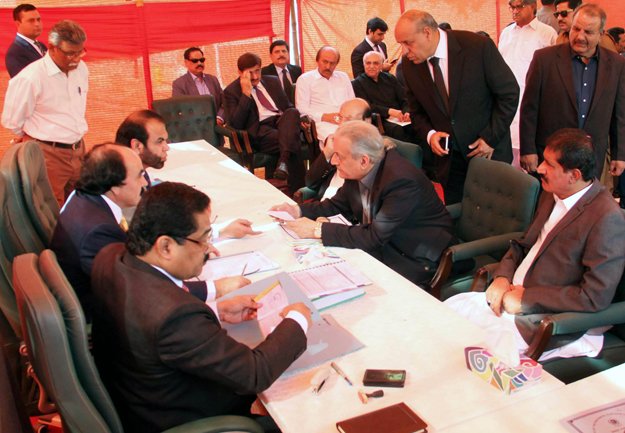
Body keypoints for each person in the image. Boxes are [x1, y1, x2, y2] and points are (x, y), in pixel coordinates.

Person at [91, 182, 310, 432]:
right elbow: (254, 374)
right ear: (165, 246)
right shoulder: (176, 316)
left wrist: (218, 311)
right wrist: (296, 320)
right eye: (202, 239)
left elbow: (158, 332)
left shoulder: (110, 257)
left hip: (136, 395)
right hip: (183, 416)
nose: (208, 248)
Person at [446, 128, 625, 359]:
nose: (540, 168)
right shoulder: (552, 192)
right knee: (444, 321)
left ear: (574, 175)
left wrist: (525, 299)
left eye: (549, 165)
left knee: (465, 353)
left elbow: (593, 297)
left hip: (543, 319)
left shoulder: (606, 218)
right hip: (507, 298)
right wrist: (502, 277)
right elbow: (523, 244)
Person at [271, 121, 454, 286]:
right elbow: (336, 205)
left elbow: (374, 236)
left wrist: (317, 230)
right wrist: (297, 210)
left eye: (339, 157)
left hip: (414, 255)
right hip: (385, 244)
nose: (334, 162)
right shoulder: (358, 169)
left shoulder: (401, 181)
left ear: (364, 161)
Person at [394, 10, 518, 204]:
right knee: (457, 220)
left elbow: (509, 94)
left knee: (493, 219)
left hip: (488, 154)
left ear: (427, 32)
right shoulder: (410, 66)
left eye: (408, 43)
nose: (404, 51)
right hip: (449, 163)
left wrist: (490, 137)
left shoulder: (477, 47)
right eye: (400, 44)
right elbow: (416, 111)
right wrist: (430, 134)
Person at [115, 109, 260, 239]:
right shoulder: (125, 183)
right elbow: (155, 235)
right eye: (159, 142)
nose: (167, 148)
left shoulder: (131, 169)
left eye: (166, 140)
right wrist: (219, 232)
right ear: (137, 146)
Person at [520, 3, 625, 179]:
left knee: (585, 205)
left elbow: (619, 115)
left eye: (588, 32)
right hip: (551, 157)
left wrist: (619, 154)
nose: (580, 37)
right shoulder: (544, 60)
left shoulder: (616, 65)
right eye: (576, 29)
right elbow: (529, 108)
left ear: (601, 35)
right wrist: (528, 149)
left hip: (591, 157)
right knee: (547, 206)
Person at [50, 144, 147, 319]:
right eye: (140, 175)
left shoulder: (82, 197)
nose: (145, 182)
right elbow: (138, 286)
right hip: (102, 318)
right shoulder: (99, 231)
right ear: (115, 187)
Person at [2, 19, 88, 206]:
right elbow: (12, 120)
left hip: (79, 150)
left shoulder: (82, 69)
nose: (76, 59)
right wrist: (38, 142)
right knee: (50, 212)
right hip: (48, 155)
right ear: (52, 48)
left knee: (81, 206)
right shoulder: (30, 77)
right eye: (70, 54)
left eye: (80, 52)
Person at [223, 52, 305, 192]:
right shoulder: (231, 91)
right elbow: (236, 124)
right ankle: (299, 189)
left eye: (258, 71)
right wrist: (246, 94)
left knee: (293, 112)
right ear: (240, 72)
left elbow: (288, 107)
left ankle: (284, 164)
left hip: (282, 123)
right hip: (260, 131)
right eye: (250, 73)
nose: (255, 77)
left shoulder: (272, 81)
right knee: (292, 140)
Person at [498, 0, 556, 165]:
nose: (515, 11)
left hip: (532, 104)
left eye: (519, 6)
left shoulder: (547, 33)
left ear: (532, 7)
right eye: (512, 7)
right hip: (507, 103)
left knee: (529, 161)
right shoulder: (506, 33)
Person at [305, 98, 372, 200]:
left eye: (349, 119)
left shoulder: (374, 151)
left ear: (366, 121)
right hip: (322, 207)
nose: (342, 124)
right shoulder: (335, 142)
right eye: (340, 118)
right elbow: (310, 183)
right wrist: (327, 153)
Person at [352, 50, 415, 143]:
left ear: (382, 65)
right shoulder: (357, 83)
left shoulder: (390, 78)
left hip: (400, 117)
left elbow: (404, 98)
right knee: (398, 131)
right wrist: (389, 111)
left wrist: (406, 112)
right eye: (368, 63)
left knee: (418, 125)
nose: (371, 66)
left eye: (376, 63)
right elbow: (367, 106)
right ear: (363, 65)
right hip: (379, 120)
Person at [296, 46, 355, 140]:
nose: (328, 66)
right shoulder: (305, 79)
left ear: (337, 63)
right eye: (325, 62)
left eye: (332, 63)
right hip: (323, 123)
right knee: (341, 140)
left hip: (347, 120)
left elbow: (352, 102)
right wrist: (325, 117)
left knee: (367, 138)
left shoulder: (343, 77)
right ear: (317, 60)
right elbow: (301, 109)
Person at [172, 47, 225, 125]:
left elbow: (225, 102)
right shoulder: (179, 84)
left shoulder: (213, 80)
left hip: (216, 129)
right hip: (195, 130)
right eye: (195, 61)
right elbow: (180, 109)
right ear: (186, 62)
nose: (199, 63)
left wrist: (220, 118)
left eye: (202, 60)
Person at [5, 3, 45, 78]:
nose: (37, 24)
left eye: (38, 19)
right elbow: (23, 83)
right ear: (18, 24)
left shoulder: (41, 45)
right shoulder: (14, 53)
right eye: (31, 21)